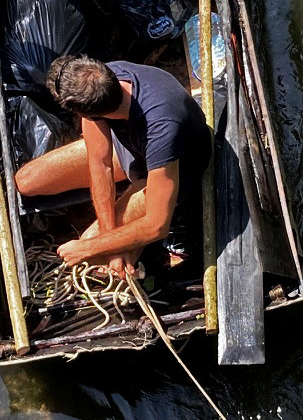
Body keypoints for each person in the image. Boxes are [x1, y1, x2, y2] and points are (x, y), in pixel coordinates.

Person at [14, 55, 210, 272]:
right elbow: (101, 165)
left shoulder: (162, 128)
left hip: (174, 167)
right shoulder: (98, 80)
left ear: (84, 112)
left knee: (91, 253)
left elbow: (156, 225)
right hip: (132, 149)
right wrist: (111, 239)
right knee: (25, 181)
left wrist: (88, 248)